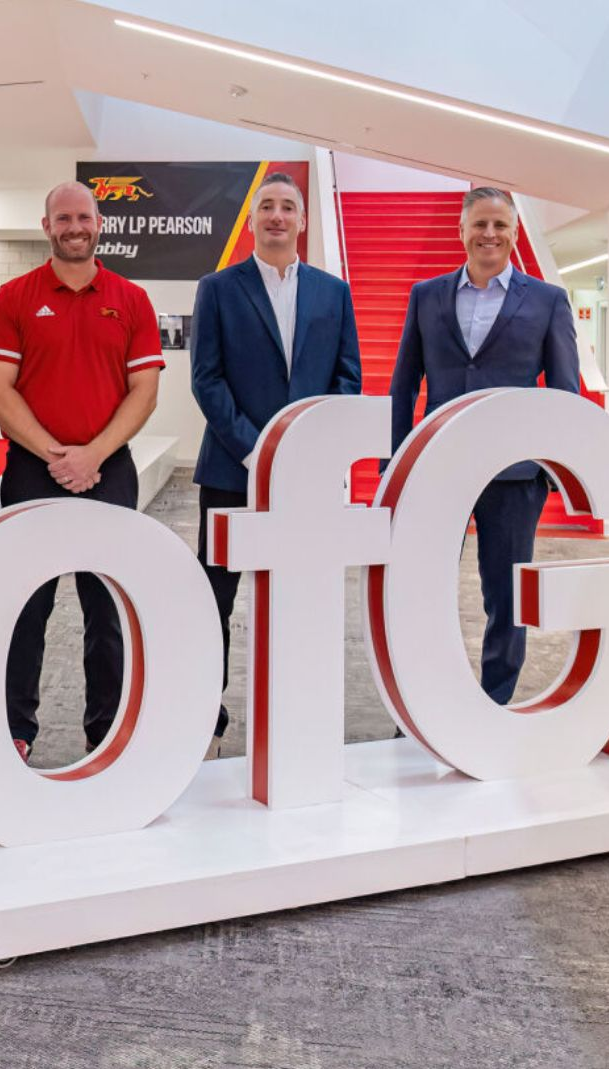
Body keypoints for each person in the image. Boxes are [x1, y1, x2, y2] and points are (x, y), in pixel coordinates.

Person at [0, 181, 164, 762]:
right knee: (26, 603)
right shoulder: (13, 298)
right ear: (47, 226)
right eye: (63, 218)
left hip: (109, 471)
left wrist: (94, 455)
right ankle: (15, 727)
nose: (74, 227)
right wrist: (57, 455)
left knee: (108, 606)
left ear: (99, 223)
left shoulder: (131, 299)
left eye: (84, 217)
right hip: (32, 471)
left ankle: (105, 728)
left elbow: (144, 392)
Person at [190, 172, 361, 756]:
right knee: (214, 600)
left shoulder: (333, 293)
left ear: (303, 221)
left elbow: (347, 380)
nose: (277, 216)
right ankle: (205, 719)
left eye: (288, 207)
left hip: (306, 482)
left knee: (300, 599)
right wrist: (258, 450)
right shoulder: (218, 288)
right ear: (252, 220)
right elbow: (206, 380)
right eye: (267, 206)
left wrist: (305, 450)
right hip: (231, 473)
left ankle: (295, 714)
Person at [389, 186, 579, 705]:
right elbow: (403, 385)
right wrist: (395, 466)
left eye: (499, 225)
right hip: (438, 468)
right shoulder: (427, 296)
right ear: (462, 231)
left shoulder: (547, 301)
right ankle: (422, 702)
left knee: (507, 596)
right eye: (479, 224)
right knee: (422, 588)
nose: (489, 234)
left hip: (514, 475)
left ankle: (494, 703)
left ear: (515, 234)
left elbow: (564, 392)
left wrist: (551, 469)